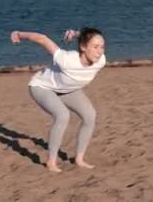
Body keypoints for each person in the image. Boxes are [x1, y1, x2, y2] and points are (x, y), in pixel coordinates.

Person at [10, 27, 106, 172]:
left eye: (102, 47)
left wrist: (75, 34)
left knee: (90, 115)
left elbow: (89, 36)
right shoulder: (66, 59)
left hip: (67, 89)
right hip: (42, 87)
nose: (100, 51)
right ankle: (51, 161)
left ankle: (79, 159)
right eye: (95, 47)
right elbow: (43, 39)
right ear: (83, 47)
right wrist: (19, 34)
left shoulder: (101, 60)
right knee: (62, 115)